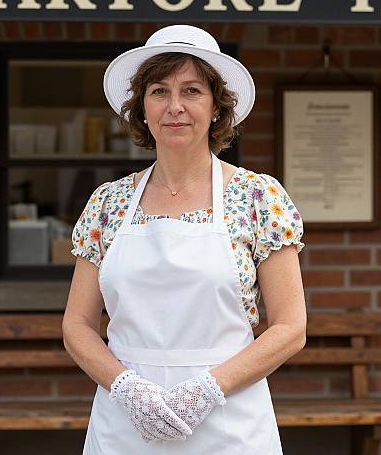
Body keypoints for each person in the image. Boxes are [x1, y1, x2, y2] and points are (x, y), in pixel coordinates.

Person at [62, 24, 307, 454]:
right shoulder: (108, 203)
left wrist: (206, 391)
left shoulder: (256, 197)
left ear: (216, 107)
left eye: (192, 91)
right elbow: (77, 325)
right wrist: (126, 389)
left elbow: (290, 327)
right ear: (141, 108)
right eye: (159, 91)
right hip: (124, 427)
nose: (175, 107)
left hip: (229, 423)